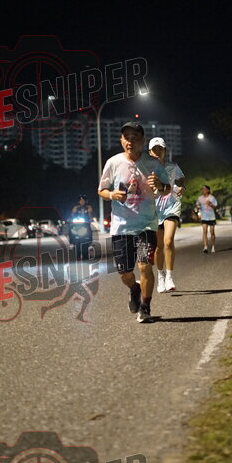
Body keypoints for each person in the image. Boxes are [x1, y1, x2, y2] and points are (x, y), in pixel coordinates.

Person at [98, 121, 170, 323]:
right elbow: (101, 190)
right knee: (125, 273)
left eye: (135, 138)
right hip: (121, 227)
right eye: (126, 137)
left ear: (143, 141)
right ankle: (134, 288)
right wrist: (112, 195)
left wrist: (160, 185)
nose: (130, 141)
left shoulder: (154, 164)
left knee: (145, 266)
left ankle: (145, 307)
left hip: (146, 225)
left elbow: (167, 189)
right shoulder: (113, 162)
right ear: (121, 140)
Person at [148, 137, 185, 292]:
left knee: (168, 241)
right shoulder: (145, 170)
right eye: (154, 149)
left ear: (164, 151)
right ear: (150, 152)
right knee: (158, 247)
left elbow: (181, 181)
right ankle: (161, 275)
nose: (157, 152)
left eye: (160, 149)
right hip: (155, 210)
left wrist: (181, 187)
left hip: (171, 206)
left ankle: (169, 276)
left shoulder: (173, 167)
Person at [196, 185, 218, 253]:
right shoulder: (200, 198)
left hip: (211, 217)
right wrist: (198, 207)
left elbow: (215, 207)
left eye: (204, 189)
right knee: (204, 232)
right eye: (202, 189)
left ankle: (213, 246)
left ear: (208, 190)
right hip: (204, 217)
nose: (203, 190)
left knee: (212, 232)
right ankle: (205, 247)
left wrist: (210, 204)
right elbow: (197, 205)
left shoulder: (212, 198)